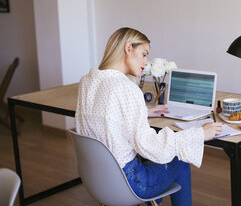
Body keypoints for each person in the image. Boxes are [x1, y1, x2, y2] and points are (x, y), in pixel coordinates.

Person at [75, 27, 222, 206]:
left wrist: (143, 111)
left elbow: (106, 117)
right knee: (180, 157)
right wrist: (198, 134)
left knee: (153, 156)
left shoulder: (87, 81)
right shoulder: (127, 88)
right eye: (144, 54)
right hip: (130, 182)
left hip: (98, 179)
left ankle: (155, 201)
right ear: (128, 48)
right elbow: (148, 144)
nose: (146, 62)